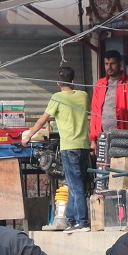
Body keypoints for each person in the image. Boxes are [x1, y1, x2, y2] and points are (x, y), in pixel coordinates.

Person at [23, 66, 92, 233]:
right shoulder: (83, 96)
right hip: (84, 146)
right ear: (73, 81)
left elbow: (42, 120)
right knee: (77, 183)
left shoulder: (57, 97)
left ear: (57, 83)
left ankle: (82, 222)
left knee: (75, 186)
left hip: (69, 147)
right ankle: (71, 220)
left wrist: (28, 137)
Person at [89, 50, 128, 153]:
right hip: (102, 136)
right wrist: (93, 139)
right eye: (106, 64)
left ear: (120, 63)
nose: (109, 67)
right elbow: (95, 112)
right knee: (103, 167)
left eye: (113, 63)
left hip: (124, 136)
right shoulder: (99, 85)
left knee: (121, 167)